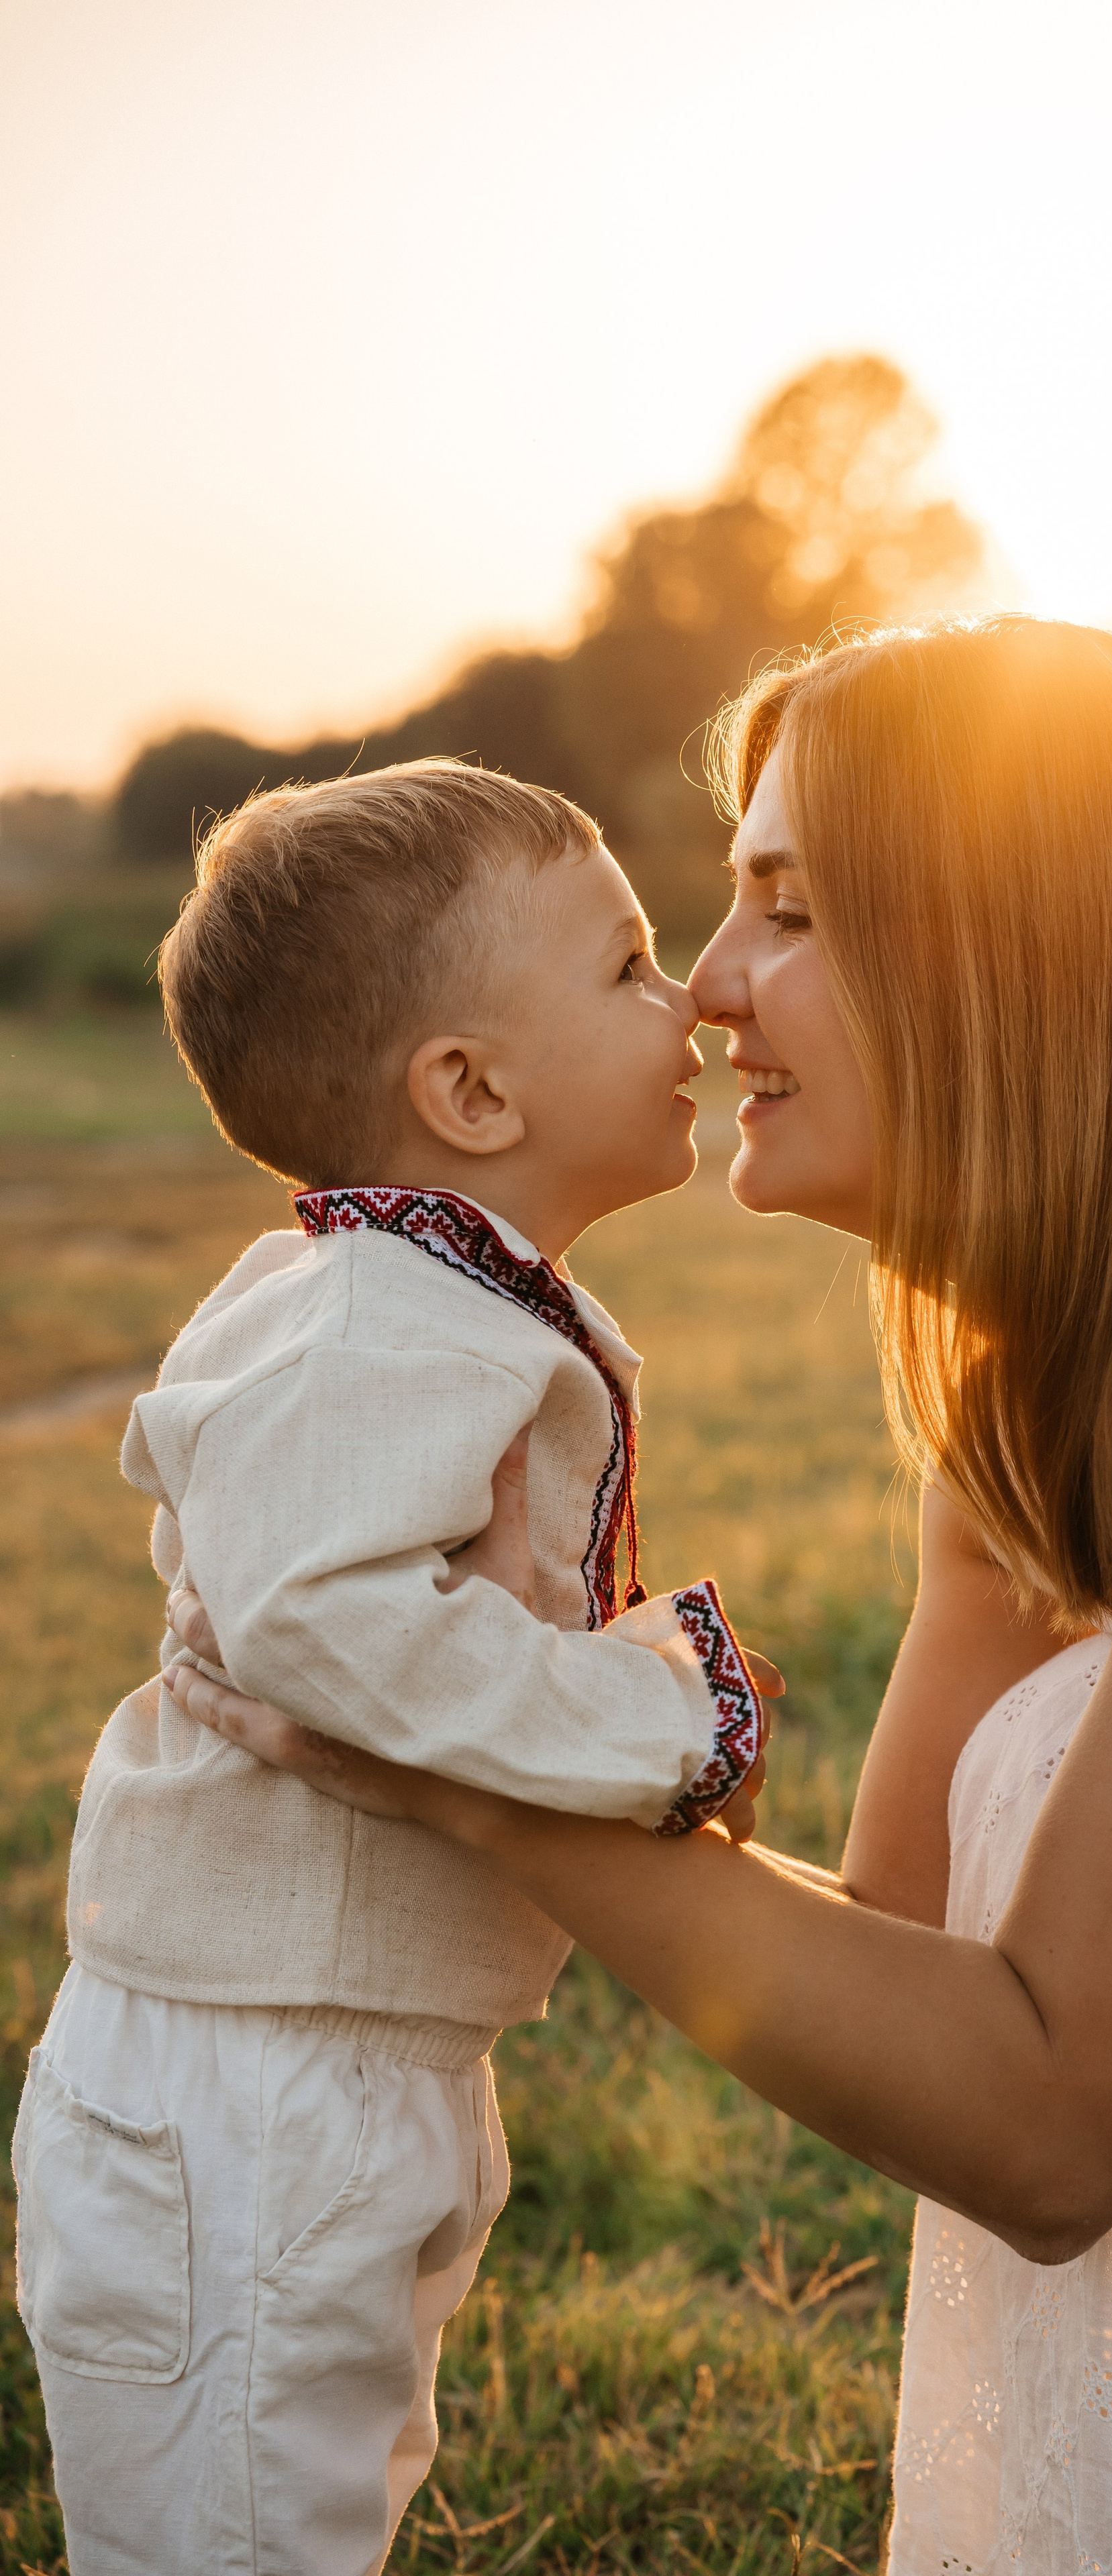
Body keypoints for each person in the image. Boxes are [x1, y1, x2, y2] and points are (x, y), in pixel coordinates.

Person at [165, 619, 1112, 2572]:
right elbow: (909, 1956)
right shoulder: (1070, 1348)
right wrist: (549, 1713)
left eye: (786, 911)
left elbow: (1054, 2122)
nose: (713, 993)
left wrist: (464, 1771)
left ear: (1016, 952)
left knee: (1085, 1818)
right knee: (1044, 1790)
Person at [11, 761, 773, 2576]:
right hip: (263, 2083)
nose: (686, 1006)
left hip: (341, 2057)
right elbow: (313, 1623)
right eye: (630, 968)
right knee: (240, 2533)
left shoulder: (444, 1299)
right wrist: (656, 1718)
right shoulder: (369, 1310)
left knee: (309, 2500)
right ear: (473, 1089)